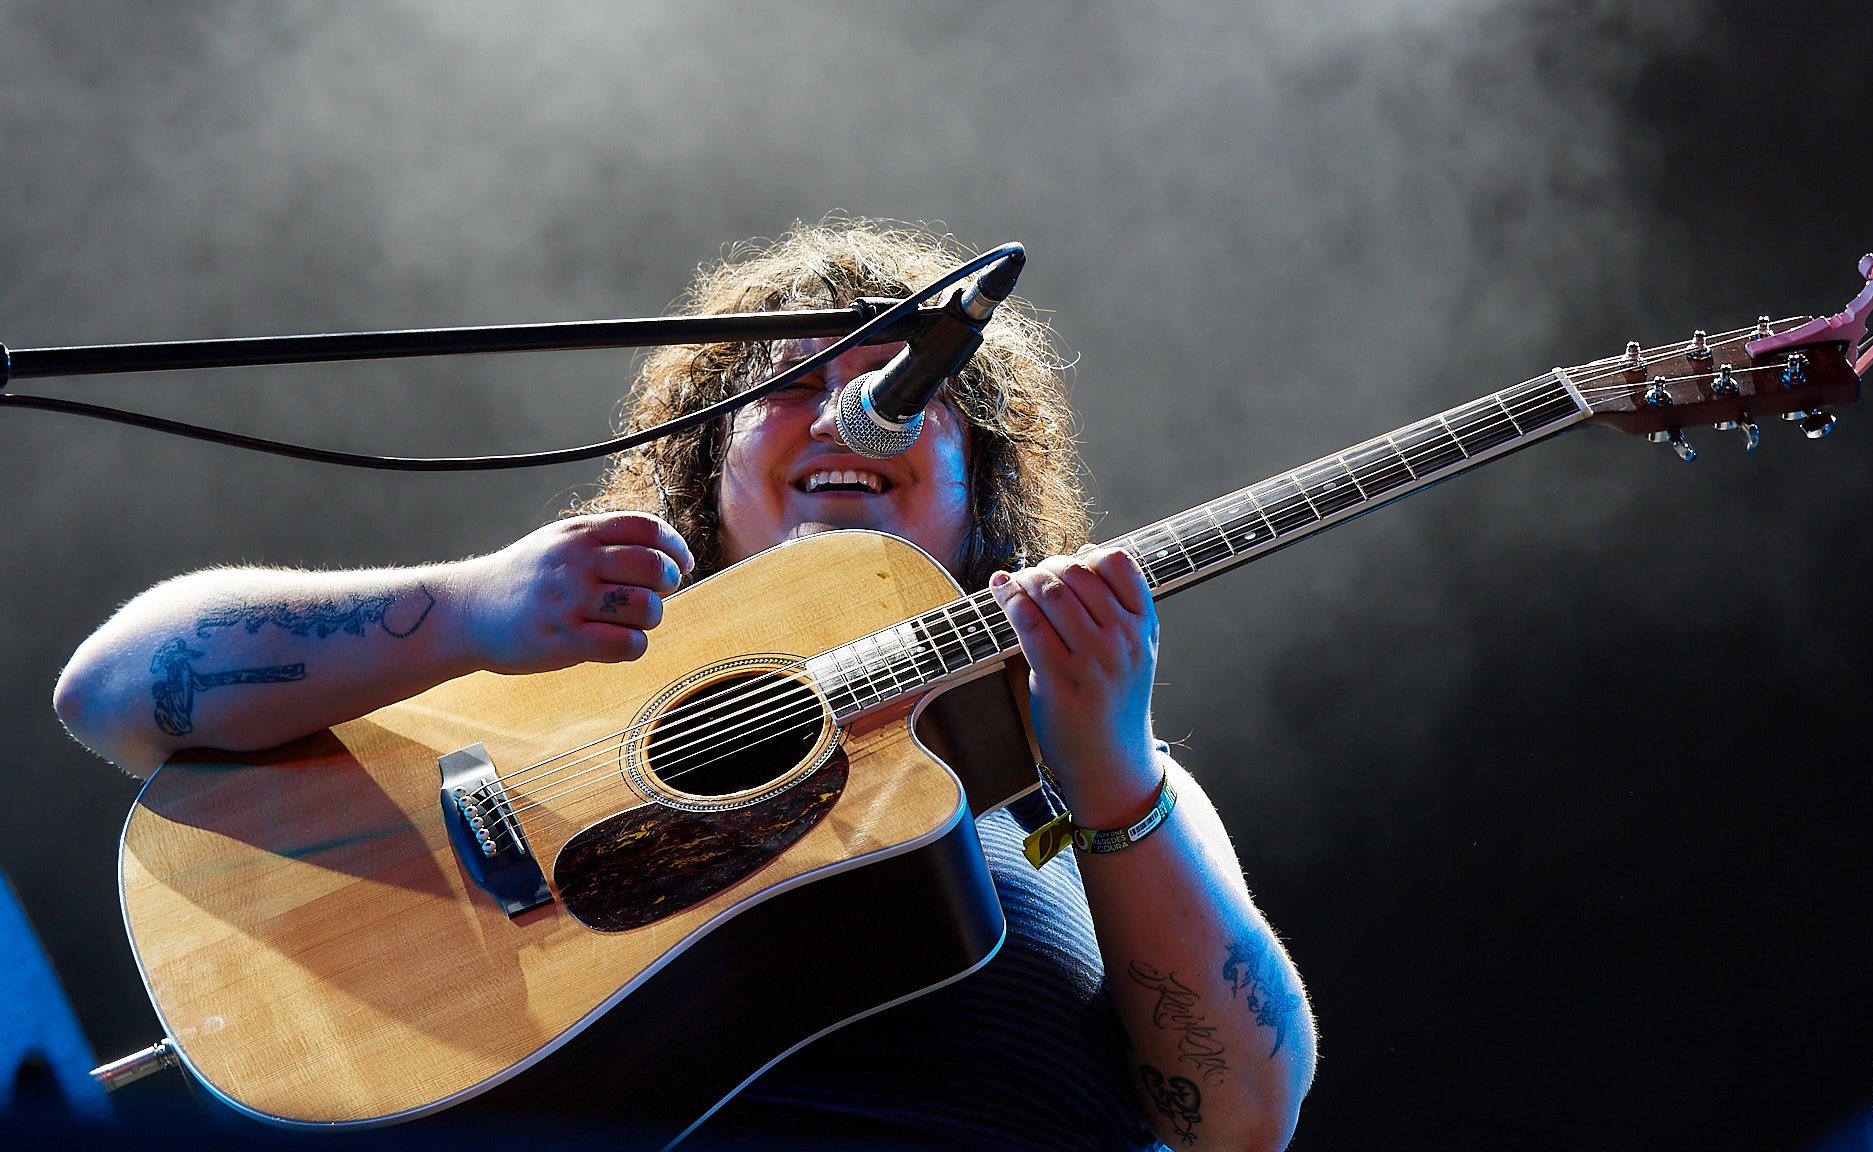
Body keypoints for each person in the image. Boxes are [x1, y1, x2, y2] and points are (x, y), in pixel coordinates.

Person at [53, 220, 1316, 1150]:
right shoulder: (551, 669)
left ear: (981, 486)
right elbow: (111, 692)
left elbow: (1240, 1123)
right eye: (792, 386)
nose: (846, 414)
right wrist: (472, 607)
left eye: (899, 391)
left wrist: (1109, 775)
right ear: (704, 468)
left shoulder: (1095, 768)